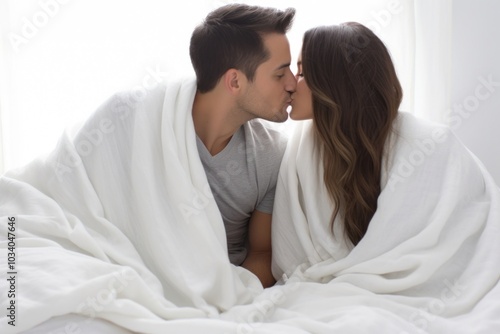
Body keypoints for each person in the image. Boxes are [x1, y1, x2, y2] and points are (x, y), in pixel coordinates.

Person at [271, 23, 500, 331]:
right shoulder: (302, 151)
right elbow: (291, 256)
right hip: (349, 292)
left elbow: (453, 245)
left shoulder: (427, 146)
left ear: (333, 83)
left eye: (301, 73)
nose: (290, 84)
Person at [190, 4, 296, 287]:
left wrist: (226, 298)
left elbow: (263, 253)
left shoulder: (272, 156)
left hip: (224, 287)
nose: (293, 84)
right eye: (279, 74)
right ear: (235, 80)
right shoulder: (147, 124)